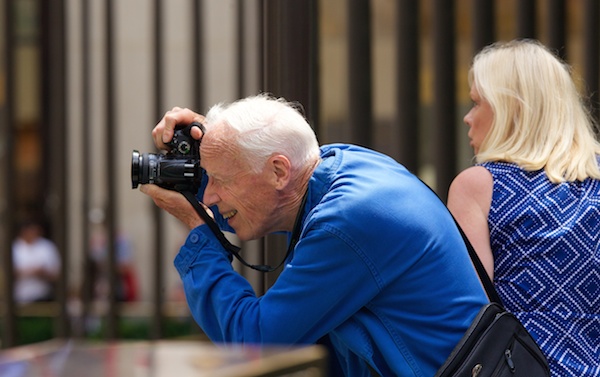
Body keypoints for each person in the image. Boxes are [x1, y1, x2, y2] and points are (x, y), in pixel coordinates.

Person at [139, 94, 488, 376]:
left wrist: (198, 230)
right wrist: (215, 141)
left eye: (221, 180)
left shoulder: (346, 221)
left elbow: (254, 342)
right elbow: (249, 208)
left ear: (278, 170)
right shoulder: (340, 163)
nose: (210, 197)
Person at [447, 39, 600, 377]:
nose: (467, 118)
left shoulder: (480, 186)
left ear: (510, 109)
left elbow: (466, 313)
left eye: (476, 103)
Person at [12, 219, 61, 303]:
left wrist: (43, 273)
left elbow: (57, 273)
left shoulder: (47, 247)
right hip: (19, 297)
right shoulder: (14, 248)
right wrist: (30, 272)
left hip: (43, 296)